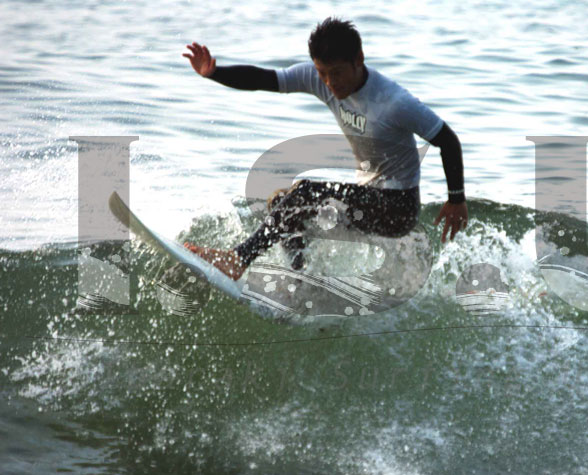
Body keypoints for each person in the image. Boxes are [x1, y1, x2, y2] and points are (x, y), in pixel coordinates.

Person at [182, 17, 467, 280]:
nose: (330, 83)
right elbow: (264, 79)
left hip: (397, 208)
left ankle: (237, 259)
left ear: (359, 59)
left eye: (337, 73)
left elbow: (448, 140)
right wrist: (214, 72)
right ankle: (302, 280)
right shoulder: (318, 79)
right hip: (366, 197)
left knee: (303, 193)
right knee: (281, 203)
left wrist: (456, 198)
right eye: (322, 73)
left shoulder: (394, 102)